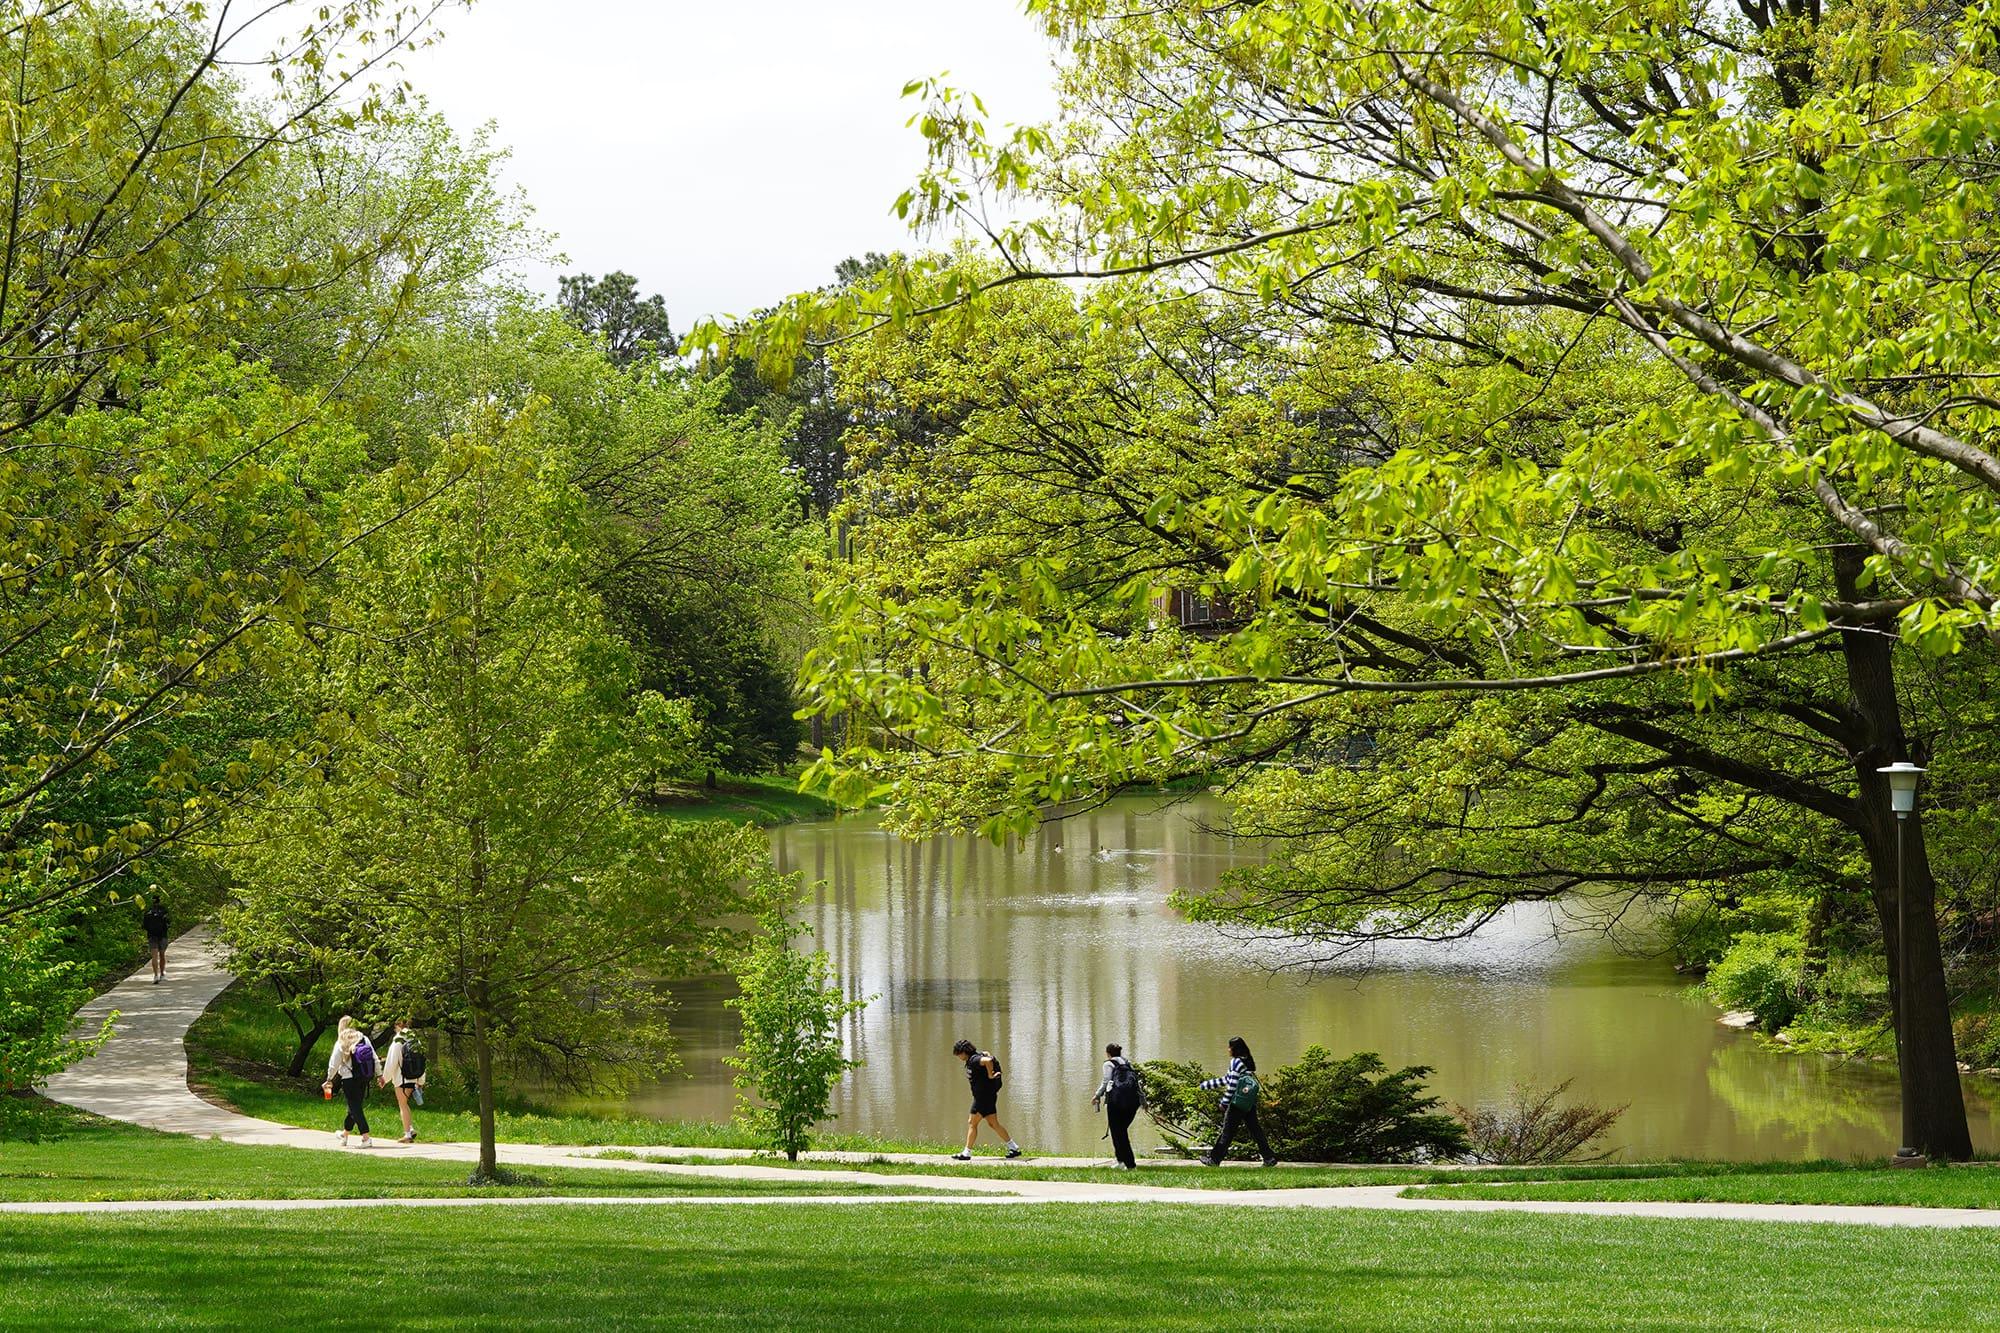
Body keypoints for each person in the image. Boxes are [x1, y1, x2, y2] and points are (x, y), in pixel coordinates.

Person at [1198, 1035, 1277, 1167]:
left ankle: (1214, 1160)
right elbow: (1226, 1080)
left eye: (1229, 1047)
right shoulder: (1246, 1061)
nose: (1228, 1049)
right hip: (1248, 1102)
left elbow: (1233, 1084)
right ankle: (1269, 1158)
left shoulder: (1235, 1062)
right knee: (1255, 1130)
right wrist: (1204, 1086)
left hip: (1236, 1103)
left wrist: (1224, 1102)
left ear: (1234, 1048)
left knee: (1227, 1132)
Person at [951, 1038, 1022, 1160]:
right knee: (993, 1123)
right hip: (988, 1096)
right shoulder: (974, 1058)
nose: (958, 1056)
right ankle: (1013, 1147)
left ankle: (966, 1153)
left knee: (972, 1123)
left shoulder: (974, 1060)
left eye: (958, 1054)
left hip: (982, 1098)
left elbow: (988, 1060)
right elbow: (987, 1056)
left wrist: (990, 1074)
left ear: (964, 1052)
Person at [321, 1015, 376, 1148]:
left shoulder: (341, 1041)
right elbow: (374, 1057)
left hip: (348, 1079)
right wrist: (379, 1074)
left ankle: (366, 1137)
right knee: (353, 1107)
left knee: (355, 1107)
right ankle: (344, 1135)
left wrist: (329, 1079)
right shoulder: (364, 1038)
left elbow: (334, 1063)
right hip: (363, 1077)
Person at [1092, 1042, 1144, 1169]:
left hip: (1115, 1102)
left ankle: (1129, 1164)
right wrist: (1144, 1101)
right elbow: (1136, 1084)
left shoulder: (1108, 1064)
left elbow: (1106, 1082)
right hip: (1132, 1103)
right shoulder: (1127, 1063)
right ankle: (1121, 1160)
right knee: (1121, 1131)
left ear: (1108, 1053)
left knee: (1118, 1133)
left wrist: (1097, 1095)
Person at [377, 1020, 426, 1144]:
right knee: (405, 1103)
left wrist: (384, 1078)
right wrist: (421, 1080)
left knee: (402, 1105)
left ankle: (407, 1134)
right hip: (414, 1077)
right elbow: (422, 1061)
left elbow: (391, 1062)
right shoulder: (416, 1041)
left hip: (401, 1078)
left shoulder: (398, 1040)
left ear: (398, 1025)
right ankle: (410, 1128)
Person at [141, 898, 170, 984]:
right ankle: (162, 974)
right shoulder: (163, 910)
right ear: (159, 901)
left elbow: (144, 925)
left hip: (151, 936)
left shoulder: (148, 911)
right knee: (162, 955)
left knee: (154, 957)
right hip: (162, 935)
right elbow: (168, 923)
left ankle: (155, 975)